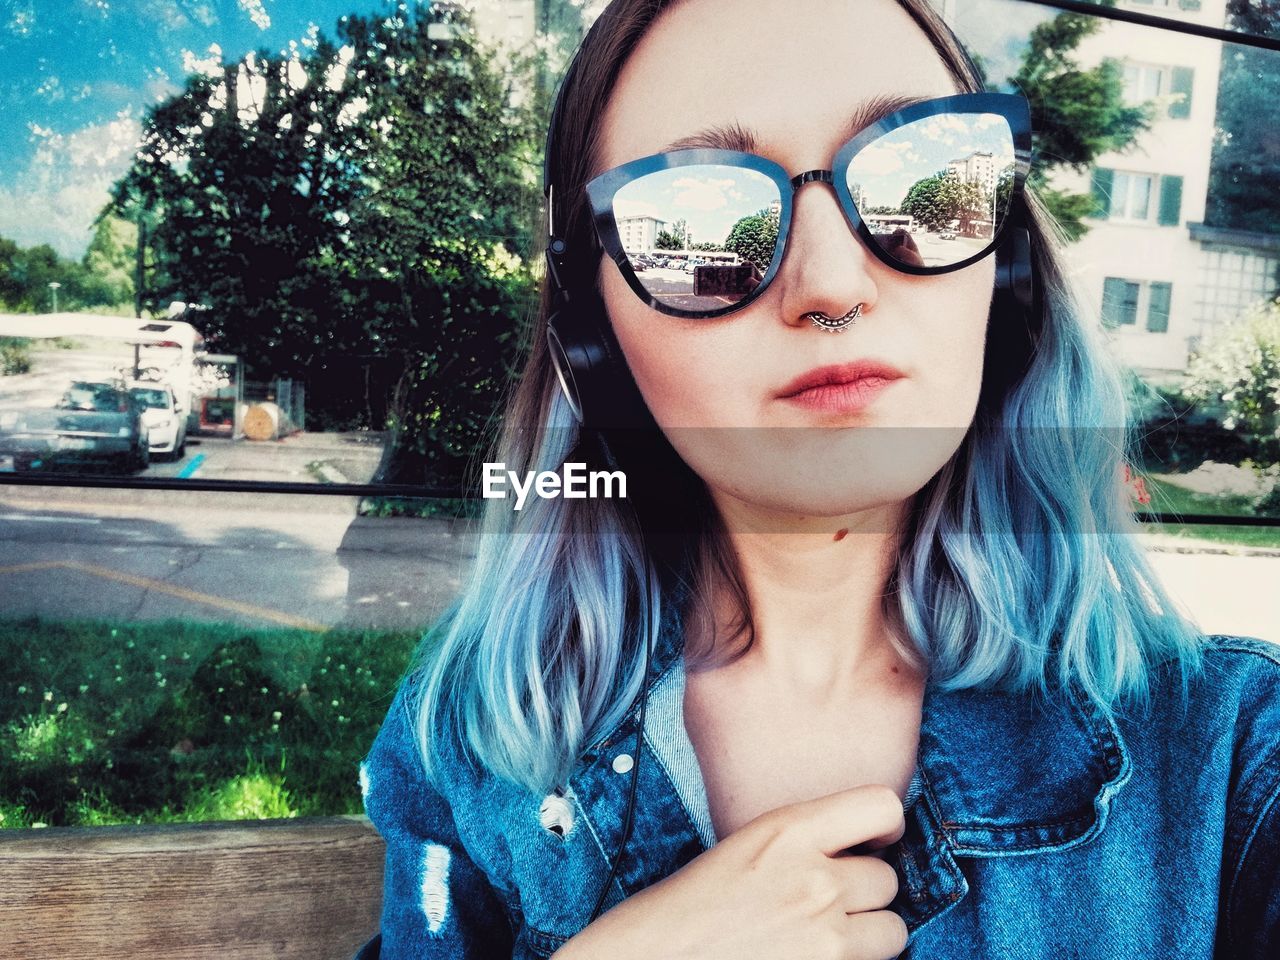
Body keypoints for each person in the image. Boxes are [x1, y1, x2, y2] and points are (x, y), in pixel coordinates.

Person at [354, 0, 1280, 957]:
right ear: (595, 338)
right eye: (698, 223)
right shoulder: (472, 744)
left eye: (926, 178)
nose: (832, 287)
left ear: (1002, 275)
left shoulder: (1237, 759)